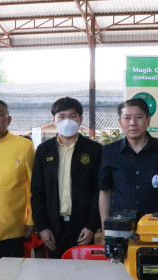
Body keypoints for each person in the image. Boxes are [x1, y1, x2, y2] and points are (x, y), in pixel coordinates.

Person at [31, 97, 102, 259]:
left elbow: (99, 192)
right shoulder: (43, 151)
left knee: (83, 271)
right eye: (61, 116)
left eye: (72, 116)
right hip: (53, 227)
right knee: (56, 272)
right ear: (54, 120)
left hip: (83, 227)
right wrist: (42, 227)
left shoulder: (94, 150)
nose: (67, 121)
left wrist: (92, 225)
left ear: (80, 119)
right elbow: (37, 191)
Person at [99, 98, 158, 227]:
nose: (133, 123)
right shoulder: (109, 151)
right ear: (120, 122)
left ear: (148, 120)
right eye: (127, 118)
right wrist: (105, 226)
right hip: (121, 226)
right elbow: (105, 192)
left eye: (138, 117)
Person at [0, 99, 35, 263]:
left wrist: (31, 220)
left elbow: (33, 187)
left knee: (10, 273)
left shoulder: (24, 146)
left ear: (8, 120)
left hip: (10, 228)